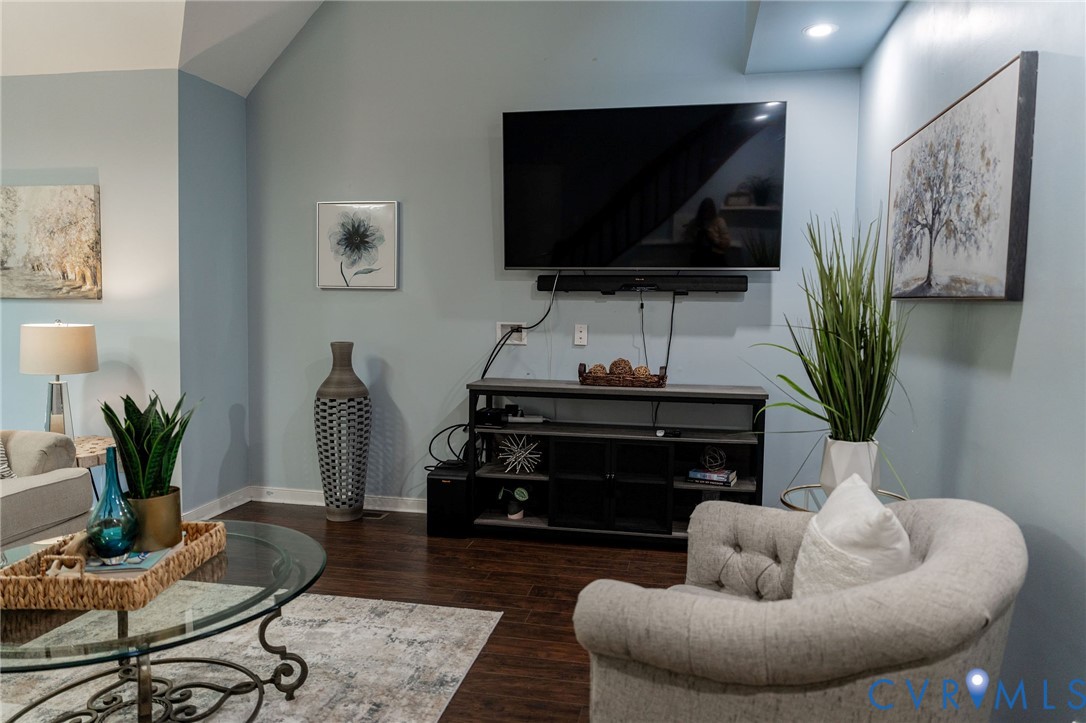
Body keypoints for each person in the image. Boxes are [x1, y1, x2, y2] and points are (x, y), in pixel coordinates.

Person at [684, 197, 732, 266]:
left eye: (708, 210)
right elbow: (687, 240)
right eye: (704, 210)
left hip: (715, 255)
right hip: (699, 254)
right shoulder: (694, 222)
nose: (706, 213)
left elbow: (726, 243)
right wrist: (695, 235)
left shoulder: (719, 221)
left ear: (712, 210)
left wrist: (713, 238)